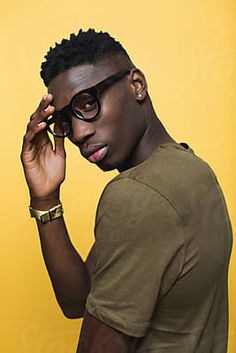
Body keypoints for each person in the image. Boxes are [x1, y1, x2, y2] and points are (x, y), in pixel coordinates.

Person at [21, 29, 232, 353]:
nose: (78, 133)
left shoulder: (136, 196)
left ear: (136, 85)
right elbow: (79, 299)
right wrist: (46, 199)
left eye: (88, 103)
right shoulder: (193, 170)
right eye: (64, 120)